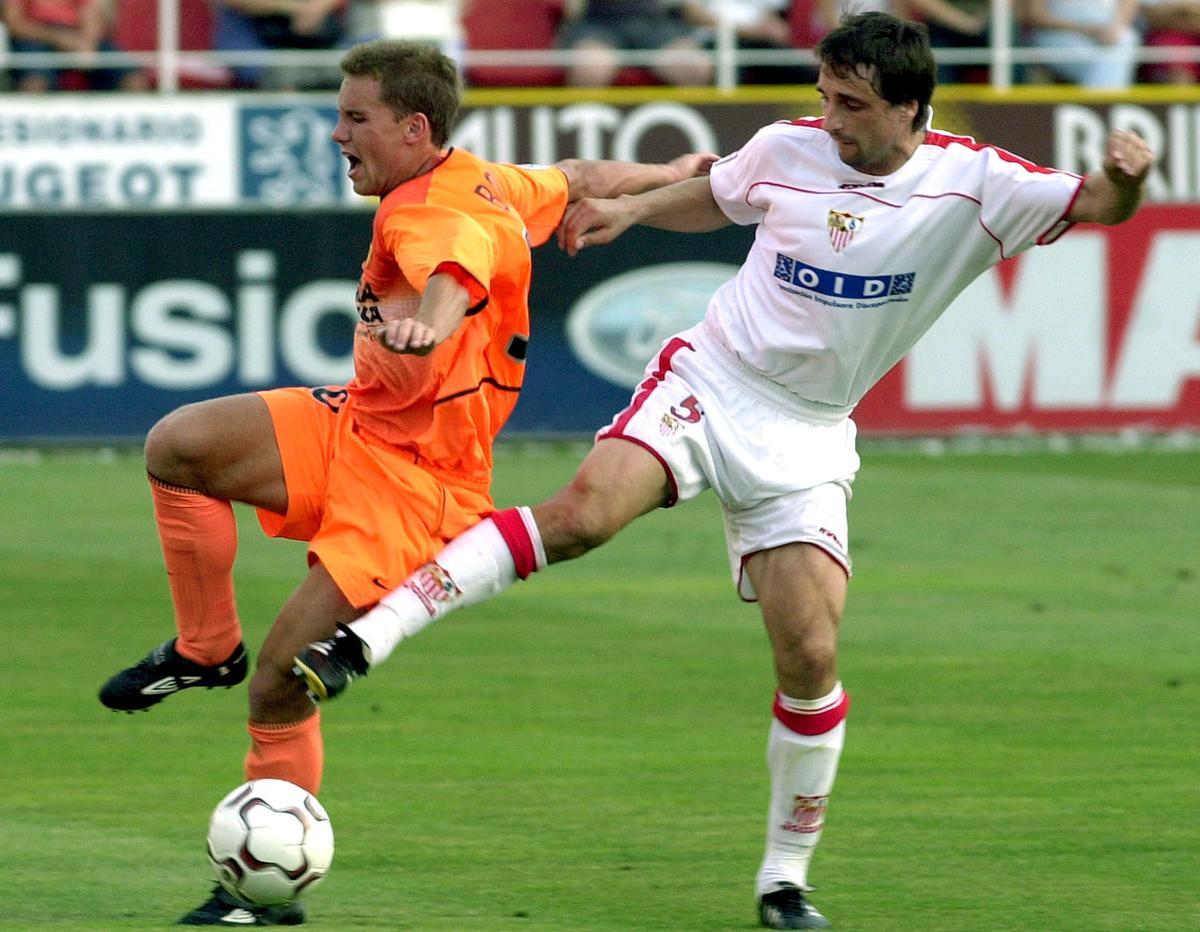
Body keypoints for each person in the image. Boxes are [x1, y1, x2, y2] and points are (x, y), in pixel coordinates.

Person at [294, 11, 1154, 930]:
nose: (830, 119)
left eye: (852, 105)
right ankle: (364, 640)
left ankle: (784, 880)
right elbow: (724, 194)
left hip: (811, 434)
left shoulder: (981, 185)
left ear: (910, 109)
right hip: (715, 377)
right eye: (824, 96)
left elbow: (1098, 206)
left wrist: (1126, 179)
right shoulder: (791, 145)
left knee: (811, 657)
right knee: (586, 514)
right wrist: (631, 208)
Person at [96, 37, 715, 927]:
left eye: (355, 119)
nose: (337, 134)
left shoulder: (429, 214)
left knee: (281, 682)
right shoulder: (487, 179)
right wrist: (665, 170)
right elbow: (577, 177)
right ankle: (203, 649)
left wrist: (429, 323)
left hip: (419, 485)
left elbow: (453, 271)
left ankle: (257, 900)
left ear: (413, 127)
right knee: (180, 446)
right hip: (356, 426)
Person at [557, 0, 714, 86]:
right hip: (598, 22)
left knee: (694, 67)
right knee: (590, 68)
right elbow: (571, 10)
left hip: (653, 23)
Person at [3, 0, 150, 91]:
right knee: (35, 84)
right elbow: (14, 23)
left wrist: (88, 43)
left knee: (134, 80)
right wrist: (59, 38)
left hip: (76, 35)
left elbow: (90, 13)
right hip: (35, 36)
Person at [209, 0, 347, 89]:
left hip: (320, 39)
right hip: (252, 40)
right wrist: (295, 8)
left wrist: (319, 6)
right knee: (284, 74)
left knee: (347, 68)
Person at [1019, 0, 1141, 89]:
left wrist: (1115, 26)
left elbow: (1129, 5)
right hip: (1057, 32)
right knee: (1107, 59)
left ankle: (1099, 111)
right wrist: (1082, 29)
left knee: (1125, 40)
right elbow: (1034, 14)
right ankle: (1104, 111)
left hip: (1105, 30)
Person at [1139, 0, 1200, 84]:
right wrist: (1190, 11)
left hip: (1194, 37)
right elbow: (1152, 16)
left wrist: (1178, 10)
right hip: (1165, 37)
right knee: (1179, 74)